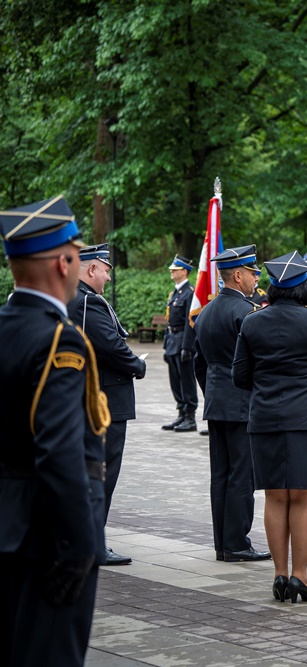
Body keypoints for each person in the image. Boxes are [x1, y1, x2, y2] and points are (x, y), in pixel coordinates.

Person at [0, 196, 108, 666]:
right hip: (46, 538)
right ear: (64, 263)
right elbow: (61, 453)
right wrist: (81, 547)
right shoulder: (60, 337)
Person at [232, 251, 307, 603]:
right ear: (304, 287)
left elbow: (240, 376)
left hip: (266, 419)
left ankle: (279, 575)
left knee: (274, 496)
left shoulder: (252, 322)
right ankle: (300, 575)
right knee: (303, 498)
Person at [69, 243, 146, 566]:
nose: (108, 278)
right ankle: (93, 543)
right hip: (105, 401)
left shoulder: (77, 299)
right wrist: (137, 366)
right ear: (90, 269)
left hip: (92, 396)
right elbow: (111, 346)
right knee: (103, 473)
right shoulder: (87, 302)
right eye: (105, 270)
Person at [194, 245, 270, 563]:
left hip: (216, 402)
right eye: (253, 273)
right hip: (242, 404)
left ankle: (223, 543)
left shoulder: (206, 311)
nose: (255, 279)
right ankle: (237, 542)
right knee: (242, 475)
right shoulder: (246, 313)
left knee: (221, 474)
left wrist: (212, 392)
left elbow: (199, 362)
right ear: (238, 276)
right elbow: (256, 363)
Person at [162, 254, 198, 432]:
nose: (171, 271)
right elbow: (169, 320)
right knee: (175, 381)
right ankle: (181, 413)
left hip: (182, 341)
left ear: (184, 271)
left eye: (174, 269)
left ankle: (190, 417)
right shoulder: (175, 292)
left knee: (186, 380)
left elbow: (189, 322)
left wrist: (187, 346)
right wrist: (165, 344)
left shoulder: (189, 293)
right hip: (172, 341)